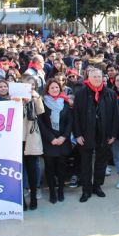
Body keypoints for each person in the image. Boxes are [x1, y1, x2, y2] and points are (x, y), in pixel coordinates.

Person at [73, 68, 119, 203]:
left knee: (101, 162)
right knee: (86, 163)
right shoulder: (81, 93)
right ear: (89, 78)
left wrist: (113, 134)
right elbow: (75, 115)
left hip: (104, 134)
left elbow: (115, 116)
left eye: (99, 77)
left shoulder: (110, 94)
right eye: (94, 77)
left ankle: (97, 186)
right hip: (86, 134)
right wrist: (77, 134)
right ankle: (86, 190)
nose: (97, 79)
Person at [38, 79, 73, 204]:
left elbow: (70, 122)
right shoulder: (42, 103)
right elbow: (41, 123)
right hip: (49, 142)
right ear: (47, 90)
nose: (55, 90)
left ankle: (61, 191)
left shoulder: (65, 102)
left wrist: (64, 137)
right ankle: (52, 191)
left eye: (57, 88)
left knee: (62, 168)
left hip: (63, 140)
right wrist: (51, 138)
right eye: (52, 88)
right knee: (50, 168)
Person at [21, 75, 45, 210]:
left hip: (31, 137)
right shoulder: (15, 99)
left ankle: (34, 196)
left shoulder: (35, 98)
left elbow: (41, 111)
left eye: (32, 85)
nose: (30, 88)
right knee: (19, 171)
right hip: (18, 139)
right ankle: (22, 199)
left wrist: (35, 97)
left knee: (31, 169)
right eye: (27, 85)